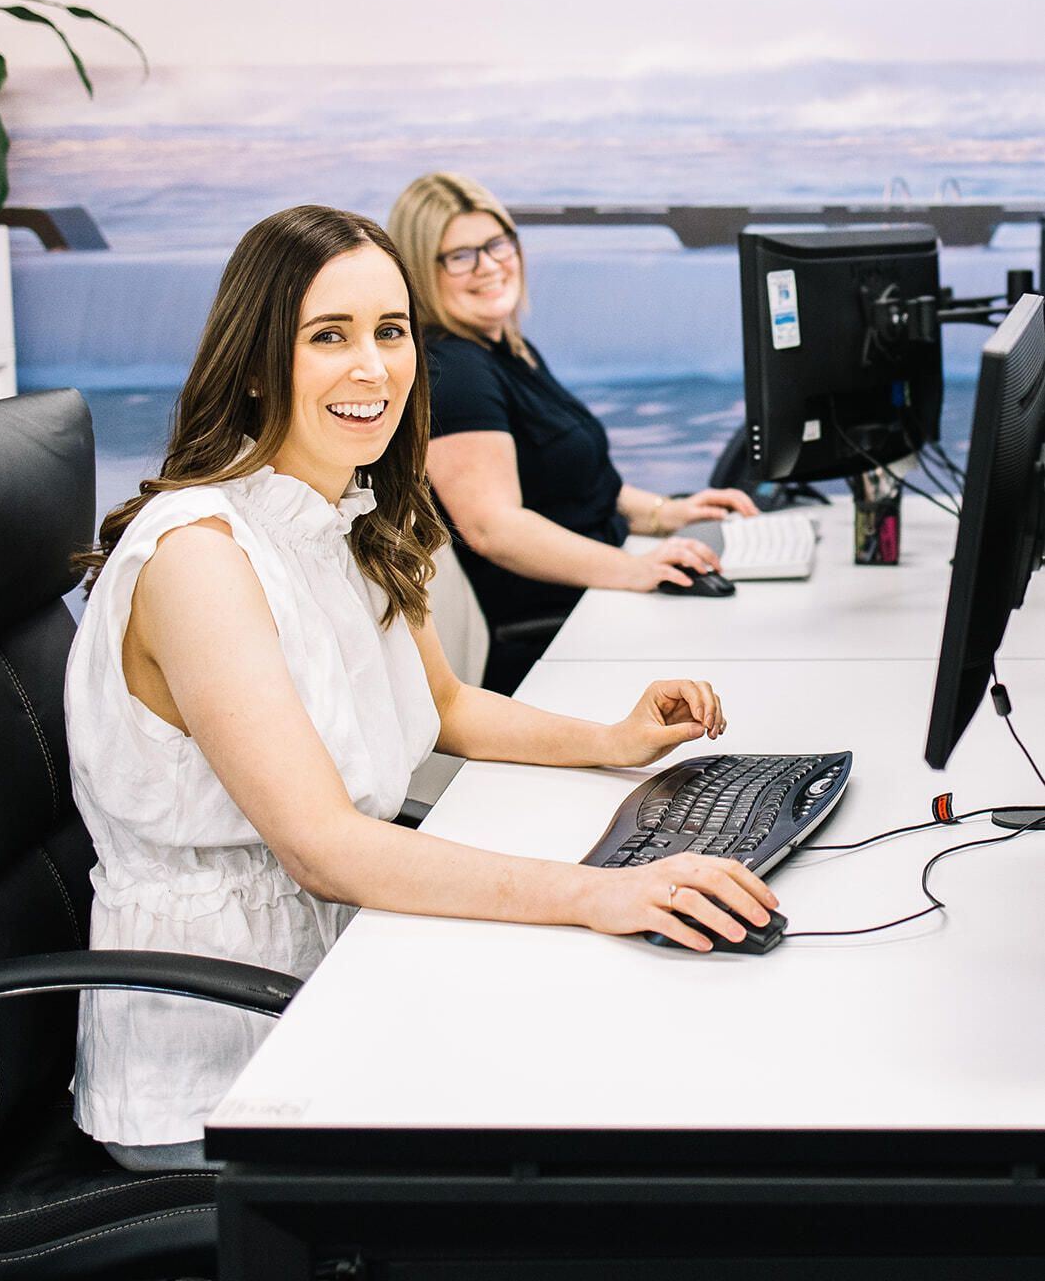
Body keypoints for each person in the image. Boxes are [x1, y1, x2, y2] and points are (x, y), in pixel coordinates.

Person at [65, 205, 778, 1170]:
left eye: (390, 331)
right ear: (252, 360)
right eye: (329, 337)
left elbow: (442, 706)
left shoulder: (342, 516)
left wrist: (613, 739)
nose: (374, 368)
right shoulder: (201, 555)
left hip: (344, 967)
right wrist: (593, 893)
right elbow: (323, 851)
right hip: (227, 1054)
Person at [388, 172, 759, 692]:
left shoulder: (507, 351)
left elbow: (566, 481)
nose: (490, 266)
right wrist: (636, 570)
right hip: (557, 637)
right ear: (423, 273)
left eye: (497, 244)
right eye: (461, 255)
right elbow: (494, 528)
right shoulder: (455, 373)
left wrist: (665, 513)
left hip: (595, 599)